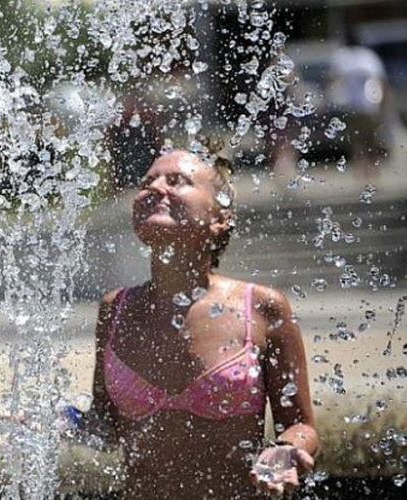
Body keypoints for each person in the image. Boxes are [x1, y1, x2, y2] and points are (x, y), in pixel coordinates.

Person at [79, 145, 319, 499]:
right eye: (148, 181)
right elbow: (104, 424)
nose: (156, 188)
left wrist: (287, 449)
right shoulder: (115, 308)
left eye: (177, 181)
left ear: (219, 216)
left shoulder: (262, 309)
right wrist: (56, 420)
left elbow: (301, 424)